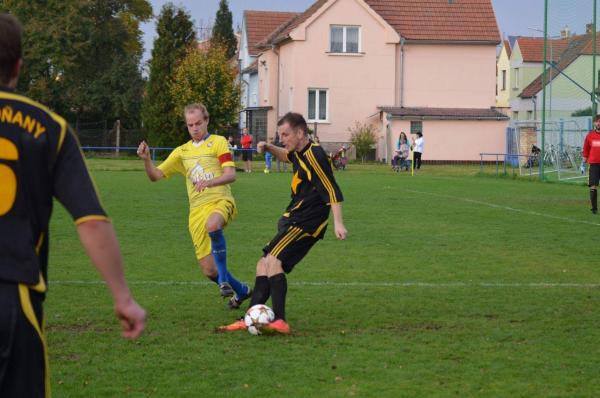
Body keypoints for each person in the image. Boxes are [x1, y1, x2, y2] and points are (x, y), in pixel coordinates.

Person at [0, 13, 145, 397]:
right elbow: (92, 220)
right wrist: (123, 298)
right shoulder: (48, 127)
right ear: (18, 66)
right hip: (13, 298)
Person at [220, 112, 347, 334]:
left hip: (307, 221)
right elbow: (287, 156)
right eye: (280, 135)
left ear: (300, 132)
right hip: (294, 217)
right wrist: (269, 148)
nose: (282, 139)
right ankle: (249, 317)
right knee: (263, 264)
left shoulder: (314, 155)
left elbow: (331, 189)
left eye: (285, 134)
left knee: (273, 262)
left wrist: (338, 222)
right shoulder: (300, 151)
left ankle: (280, 320)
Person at [137, 103, 251, 308]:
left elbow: (230, 175)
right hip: (196, 213)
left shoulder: (218, 142)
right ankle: (242, 290)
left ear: (206, 120)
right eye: (190, 125)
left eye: (198, 123)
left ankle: (224, 281)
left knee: (213, 225)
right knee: (209, 270)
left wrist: (209, 182)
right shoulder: (182, 152)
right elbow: (155, 176)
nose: (195, 128)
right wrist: (146, 160)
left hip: (220, 201)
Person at [582, 115, 600, 214]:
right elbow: (586, 149)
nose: (598, 123)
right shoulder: (590, 136)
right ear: (594, 123)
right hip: (593, 164)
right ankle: (594, 208)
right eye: (597, 121)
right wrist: (583, 163)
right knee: (593, 186)